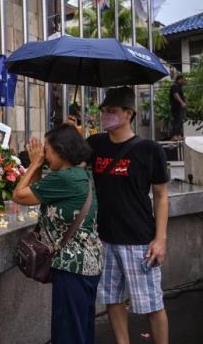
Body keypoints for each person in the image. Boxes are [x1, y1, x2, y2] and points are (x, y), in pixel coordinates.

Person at [87, 86, 169, 344]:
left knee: (152, 303)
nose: (105, 116)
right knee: (112, 298)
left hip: (139, 240)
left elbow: (161, 196)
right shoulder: (95, 144)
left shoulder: (149, 149)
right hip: (105, 239)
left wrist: (160, 239)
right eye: (103, 111)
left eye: (111, 111)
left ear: (128, 114)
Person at [13, 124, 102, 344]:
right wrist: (39, 168)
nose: (44, 154)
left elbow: (19, 195)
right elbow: (42, 193)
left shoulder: (65, 179)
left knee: (68, 335)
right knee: (81, 331)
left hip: (73, 269)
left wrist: (34, 164)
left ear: (61, 151)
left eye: (47, 149)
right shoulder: (78, 175)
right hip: (87, 265)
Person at [169, 75, 187, 141]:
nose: (185, 81)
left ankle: (178, 135)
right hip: (176, 108)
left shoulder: (179, 87)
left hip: (179, 108)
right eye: (184, 80)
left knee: (180, 122)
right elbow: (175, 95)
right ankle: (174, 136)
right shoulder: (175, 86)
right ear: (180, 79)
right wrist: (182, 102)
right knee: (177, 121)